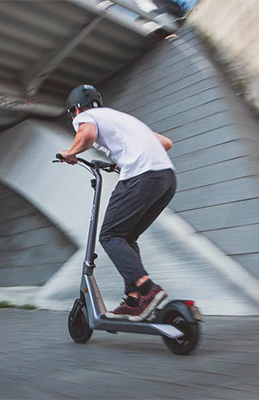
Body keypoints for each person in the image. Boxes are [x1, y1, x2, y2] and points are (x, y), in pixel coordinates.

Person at [58, 84, 176, 321]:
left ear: (75, 110)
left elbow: (87, 135)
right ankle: (133, 300)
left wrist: (70, 153)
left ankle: (147, 289)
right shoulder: (121, 118)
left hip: (142, 177)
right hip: (166, 179)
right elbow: (165, 143)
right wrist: (121, 161)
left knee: (110, 236)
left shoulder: (86, 117)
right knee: (126, 237)